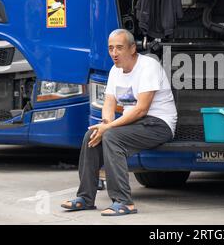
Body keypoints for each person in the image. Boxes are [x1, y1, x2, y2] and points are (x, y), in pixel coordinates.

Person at [61, 29, 177, 216]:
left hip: (158, 123)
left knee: (112, 137)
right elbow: (109, 102)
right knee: (92, 135)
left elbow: (141, 109)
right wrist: (105, 124)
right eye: (111, 48)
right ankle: (85, 198)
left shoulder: (148, 66)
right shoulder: (115, 70)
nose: (114, 53)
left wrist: (109, 128)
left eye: (119, 48)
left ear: (132, 48)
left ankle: (124, 202)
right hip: (134, 123)